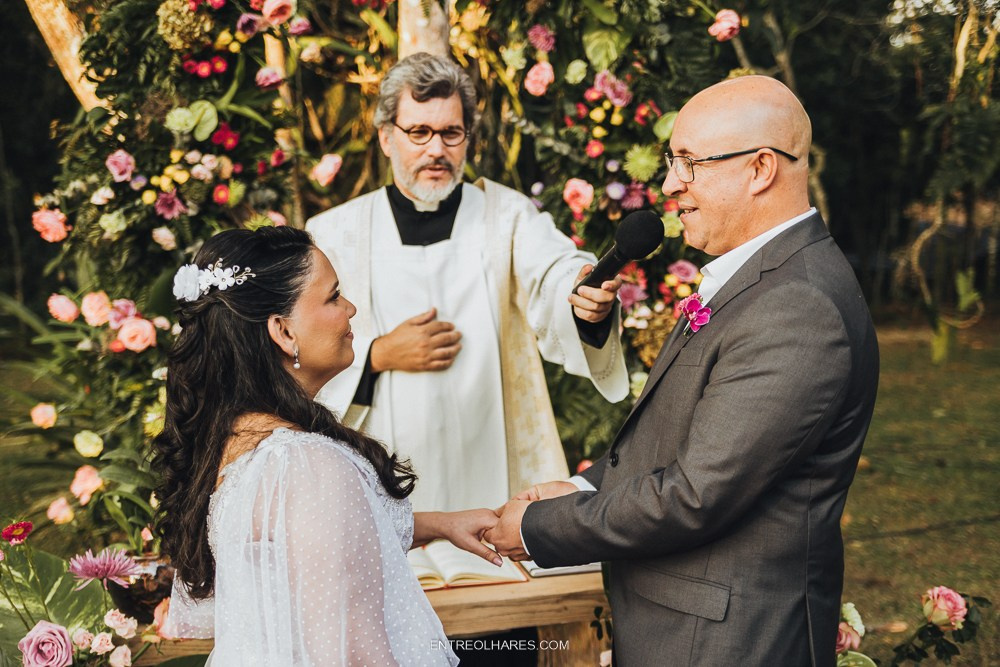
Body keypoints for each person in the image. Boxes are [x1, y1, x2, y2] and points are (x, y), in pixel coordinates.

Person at [487, 76, 880, 666]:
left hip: (727, 641)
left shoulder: (797, 306)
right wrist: (580, 489)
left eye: (690, 163)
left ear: (760, 169)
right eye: (672, 163)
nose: (670, 185)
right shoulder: (761, 279)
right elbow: (689, 442)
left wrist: (540, 527)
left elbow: (697, 494)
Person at [152, 226, 502, 665]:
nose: (351, 309)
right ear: (283, 331)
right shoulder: (305, 467)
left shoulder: (234, 440)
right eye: (334, 297)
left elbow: (299, 549)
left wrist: (440, 524)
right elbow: (354, 655)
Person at [306, 53, 629, 514]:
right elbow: (297, 344)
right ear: (385, 137)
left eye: (451, 133)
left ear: (467, 138)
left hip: (492, 462)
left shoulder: (507, 216)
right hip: (380, 459)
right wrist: (376, 355)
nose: (436, 150)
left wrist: (581, 298)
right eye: (418, 132)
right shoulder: (335, 232)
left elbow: (556, 271)